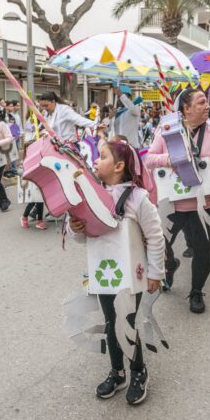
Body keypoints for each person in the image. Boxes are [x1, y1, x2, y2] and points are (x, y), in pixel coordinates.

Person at [67, 140, 164, 405]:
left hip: (132, 275)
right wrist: (74, 226)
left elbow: (155, 237)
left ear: (119, 166)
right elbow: (80, 238)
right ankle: (118, 372)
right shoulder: (90, 196)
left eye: (102, 157)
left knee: (127, 324)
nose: (95, 161)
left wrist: (156, 272)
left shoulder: (137, 197)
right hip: (103, 274)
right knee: (111, 323)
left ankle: (138, 371)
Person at [144, 88, 210, 314]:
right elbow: (149, 158)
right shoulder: (167, 130)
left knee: (203, 251)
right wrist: (171, 159)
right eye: (201, 103)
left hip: (206, 204)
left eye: (206, 103)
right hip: (172, 202)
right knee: (160, 241)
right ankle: (170, 264)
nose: (207, 106)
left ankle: (196, 291)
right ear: (185, 109)